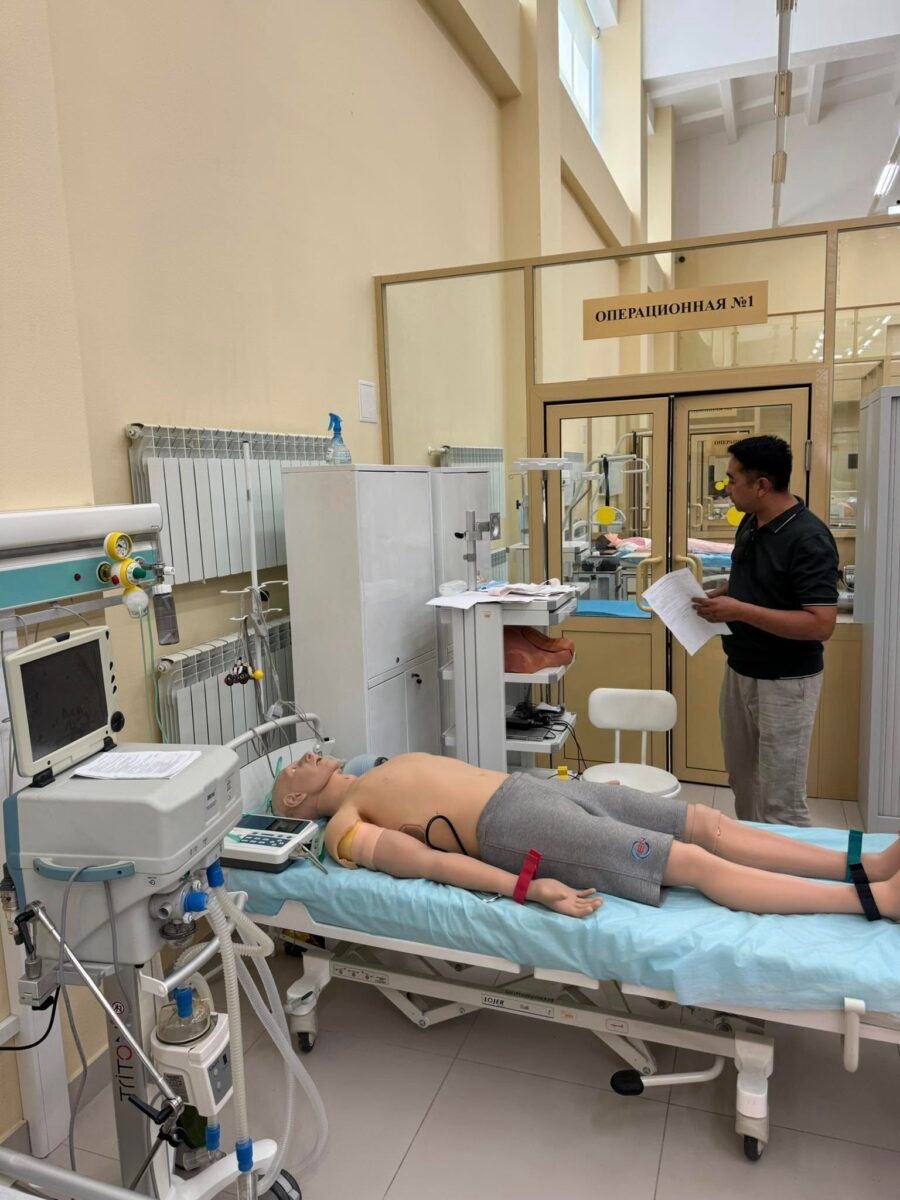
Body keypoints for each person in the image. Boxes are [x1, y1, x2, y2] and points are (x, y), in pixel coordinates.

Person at [271, 751, 900, 922]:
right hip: (513, 827)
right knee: (691, 861)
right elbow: (431, 865)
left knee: (708, 823)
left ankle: (866, 865)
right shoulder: (345, 827)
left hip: (530, 788)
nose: (307, 756)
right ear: (294, 800)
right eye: (294, 767)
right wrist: (526, 886)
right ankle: (872, 901)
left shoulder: (370, 769)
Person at [691, 436, 838, 826]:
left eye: (732, 480)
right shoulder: (751, 522)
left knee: (781, 801)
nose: (726, 488)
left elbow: (821, 624)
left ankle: (790, 864)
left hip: (786, 682)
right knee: (744, 783)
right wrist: (724, 594)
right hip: (740, 670)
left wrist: (739, 610)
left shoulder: (808, 538)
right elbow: (759, 582)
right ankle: (750, 856)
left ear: (761, 485)